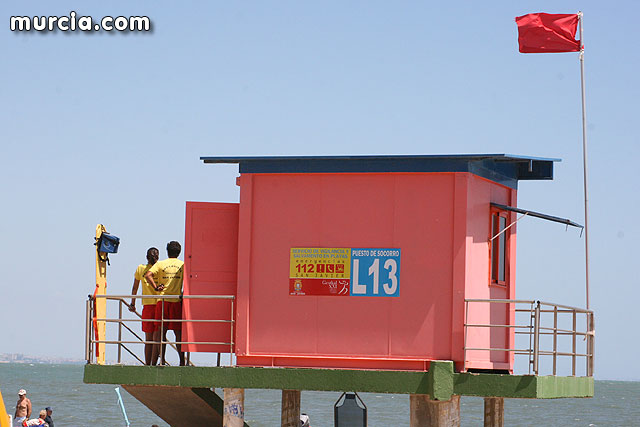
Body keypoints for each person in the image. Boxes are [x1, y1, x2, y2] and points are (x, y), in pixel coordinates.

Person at [145, 241, 185, 366]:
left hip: (162, 301)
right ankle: (182, 361)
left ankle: (162, 360)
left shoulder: (161, 264)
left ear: (167, 251)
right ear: (179, 252)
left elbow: (148, 275)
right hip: (176, 301)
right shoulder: (183, 265)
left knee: (161, 332)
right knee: (178, 333)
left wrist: (156, 287)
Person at [129, 247, 160, 365]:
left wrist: (133, 303)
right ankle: (154, 363)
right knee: (157, 339)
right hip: (158, 305)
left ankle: (147, 365)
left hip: (147, 306)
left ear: (147, 257)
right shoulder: (160, 268)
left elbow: (135, 287)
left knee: (148, 339)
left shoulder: (140, 268)